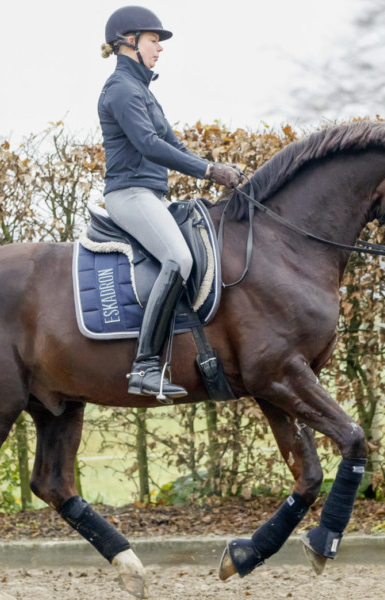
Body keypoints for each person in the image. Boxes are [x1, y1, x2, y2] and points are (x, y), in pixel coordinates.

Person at [98, 6, 243, 400]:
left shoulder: (142, 90)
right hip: (129, 194)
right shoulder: (122, 90)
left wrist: (218, 167)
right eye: (153, 40)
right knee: (179, 259)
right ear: (129, 43)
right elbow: (148, 145)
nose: (159, 48)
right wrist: (210, 171)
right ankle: (144, 367)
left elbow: (172, 144)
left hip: (151, 195)